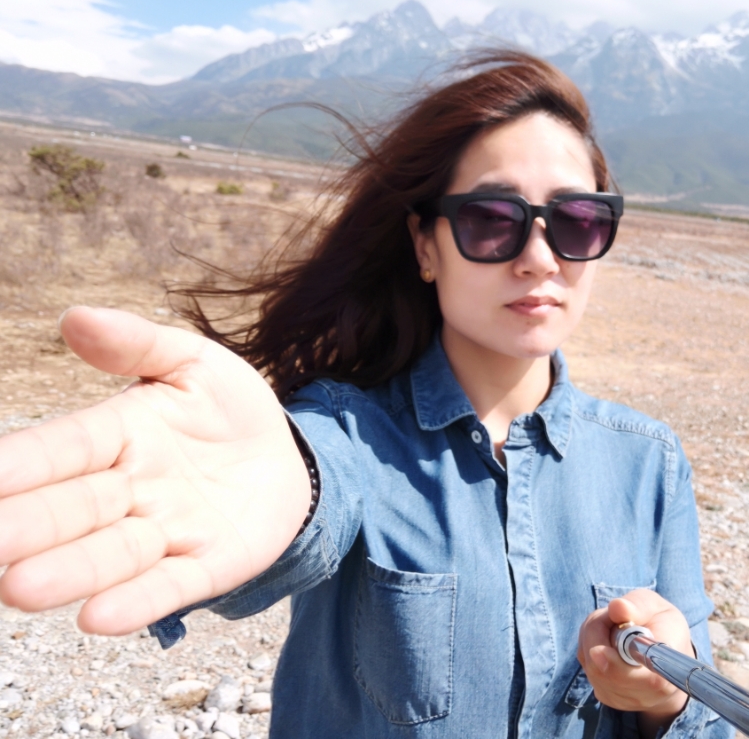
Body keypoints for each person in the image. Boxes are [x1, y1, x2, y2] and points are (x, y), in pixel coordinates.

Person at [0, 52, 730, 739]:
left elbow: (706, 718)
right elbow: (311, 489)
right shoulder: (347, 431)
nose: (539, 258)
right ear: (425, 245)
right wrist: (283, 490)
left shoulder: (648, 463)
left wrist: (665, 699)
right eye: (490, 220)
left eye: (577, 221)